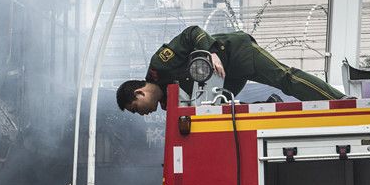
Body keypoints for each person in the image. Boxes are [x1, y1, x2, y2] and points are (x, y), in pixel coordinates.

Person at [116, 25, 345, 115]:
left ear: (139, 92)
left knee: (285, 78)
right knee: (229, 113)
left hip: (235, 53)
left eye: (135, 108)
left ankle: (339, 100)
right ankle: (269, 103)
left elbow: (192, 33)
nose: (141, 114)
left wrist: (210, 53)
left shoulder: (160, 65)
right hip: (224, 83)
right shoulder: (170, 104)